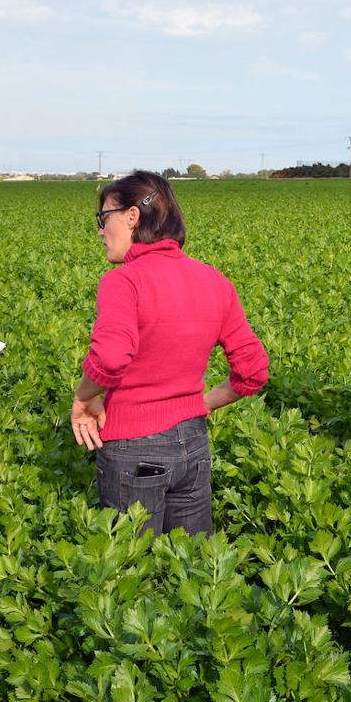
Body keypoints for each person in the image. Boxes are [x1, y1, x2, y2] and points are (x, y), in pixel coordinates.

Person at [71, 170, 268, 536]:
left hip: (133, 449)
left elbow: (112, 357)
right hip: (193, 443)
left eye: (104, 218)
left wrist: (84, 397)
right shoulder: (214, 280)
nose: (100, 230)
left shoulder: (123, 281)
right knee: (190, 570)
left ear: (132, 217)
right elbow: (253, 370)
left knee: (133, 573)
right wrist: (203, 403)